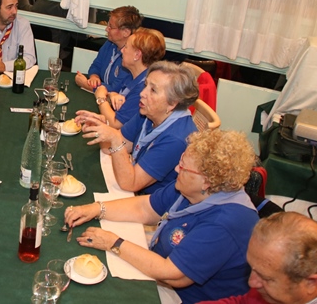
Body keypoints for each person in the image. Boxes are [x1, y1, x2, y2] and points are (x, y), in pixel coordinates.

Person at [65, 130, 259, 304]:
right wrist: (96, 208)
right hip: (160, 268)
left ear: (207, 181)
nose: (176, 170)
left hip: (180, 296)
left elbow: (172, 274)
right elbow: (145, 208)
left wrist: (113, 243)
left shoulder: (224, 223)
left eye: (183, 168)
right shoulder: (193, 189)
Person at [77, 61, 198, 194]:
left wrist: (114, 138)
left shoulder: (176, 139)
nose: (142, 93)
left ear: (172, 103)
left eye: (153, 90)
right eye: (145, 85)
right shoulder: (149, 113)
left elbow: (130, 183)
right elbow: (110, 148)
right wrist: (102, 127)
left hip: (149, 200)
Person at [198, 212, 317, 304]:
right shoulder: (272, 288)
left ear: (311, 283)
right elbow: (245, 301)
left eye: (266, 278)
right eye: (251, 268)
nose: (252, 283)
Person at [93, 28, 165, 129]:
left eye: (126, 47)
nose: (122, 51)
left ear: (137, 55)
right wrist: (112, 95)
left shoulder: (144, 89)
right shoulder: (132, 75)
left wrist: (100, 98)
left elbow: (115, 124)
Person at [74, 6, 143, 92]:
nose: (106, 29)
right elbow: (96, 65)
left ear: (125, 32)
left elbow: (114, 89)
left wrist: (85, 84)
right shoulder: (109, 44)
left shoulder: (130, 58)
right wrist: (94, 76)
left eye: (111, 27)